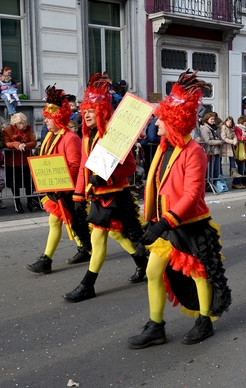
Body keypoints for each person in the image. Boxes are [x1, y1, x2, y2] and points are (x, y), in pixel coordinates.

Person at [127, 69, 231, 349]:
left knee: (198, 274)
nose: (157, 122)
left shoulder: (193, 151)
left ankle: (204, 321)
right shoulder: (163, 148)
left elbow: (192, 194)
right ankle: (156, 326)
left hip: (188, 224)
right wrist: (153, 222)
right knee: (152, 272)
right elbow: (157, 186)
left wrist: (164, 223)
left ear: (173, 121)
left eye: (161, 117)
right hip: (165, 224)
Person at [63, 73, 146, 303]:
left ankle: (87, 285)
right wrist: (79, 195)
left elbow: (129, 165)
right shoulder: (87, 137)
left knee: (98, 238)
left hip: (113, 195)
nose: (86, 114)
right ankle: (143, 262)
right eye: (84, 110)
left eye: (91, 110)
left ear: (100, 111)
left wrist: (105, 178)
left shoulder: (110, 134)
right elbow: (83, 167)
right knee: (118, 234)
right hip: (97, 196)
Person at [26, 85, 92, 274]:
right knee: (68, 221)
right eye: (45, 118)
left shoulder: (71, 138)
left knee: (57, 222)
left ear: (58, 118)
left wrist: (60, 184)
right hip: (55, 189)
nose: (45, 121)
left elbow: (75, 165)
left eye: (49, 118)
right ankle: (85, 249)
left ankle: (46, 259)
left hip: (66, 189)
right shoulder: (49, 137)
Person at [2, 112, 38, 213]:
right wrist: (17, 144)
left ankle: (30, 202)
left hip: (26, 161)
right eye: (22, 123)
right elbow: (6, 143)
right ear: (16, 123)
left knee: (29, 184)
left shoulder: (28, 129)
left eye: (25, 122)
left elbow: (33, 141)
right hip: (13, 162)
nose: (25, 124)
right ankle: (17, 203)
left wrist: (25, 145)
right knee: (15, 184)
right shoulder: (7, 130)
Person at [199, 112, 222, 189]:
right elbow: (207, 141)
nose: (213, 120)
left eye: (213, 119)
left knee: (216, 169)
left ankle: (213, 184)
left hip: (216, 151)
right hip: (210, 152)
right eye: (211, 119)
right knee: (210, 170)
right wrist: (219, 142)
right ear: (207, 119)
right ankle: (207, 185)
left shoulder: (215, 128)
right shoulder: (205, 128)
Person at [232, 116, 246, 189]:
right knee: (241, 167)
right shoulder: (237, 128)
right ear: (242, 122)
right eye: (245, 122)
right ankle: (236, 182)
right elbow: (239, 138)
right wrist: (245, 139)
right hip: (240, 150)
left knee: (245, 168)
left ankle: (242, 182)